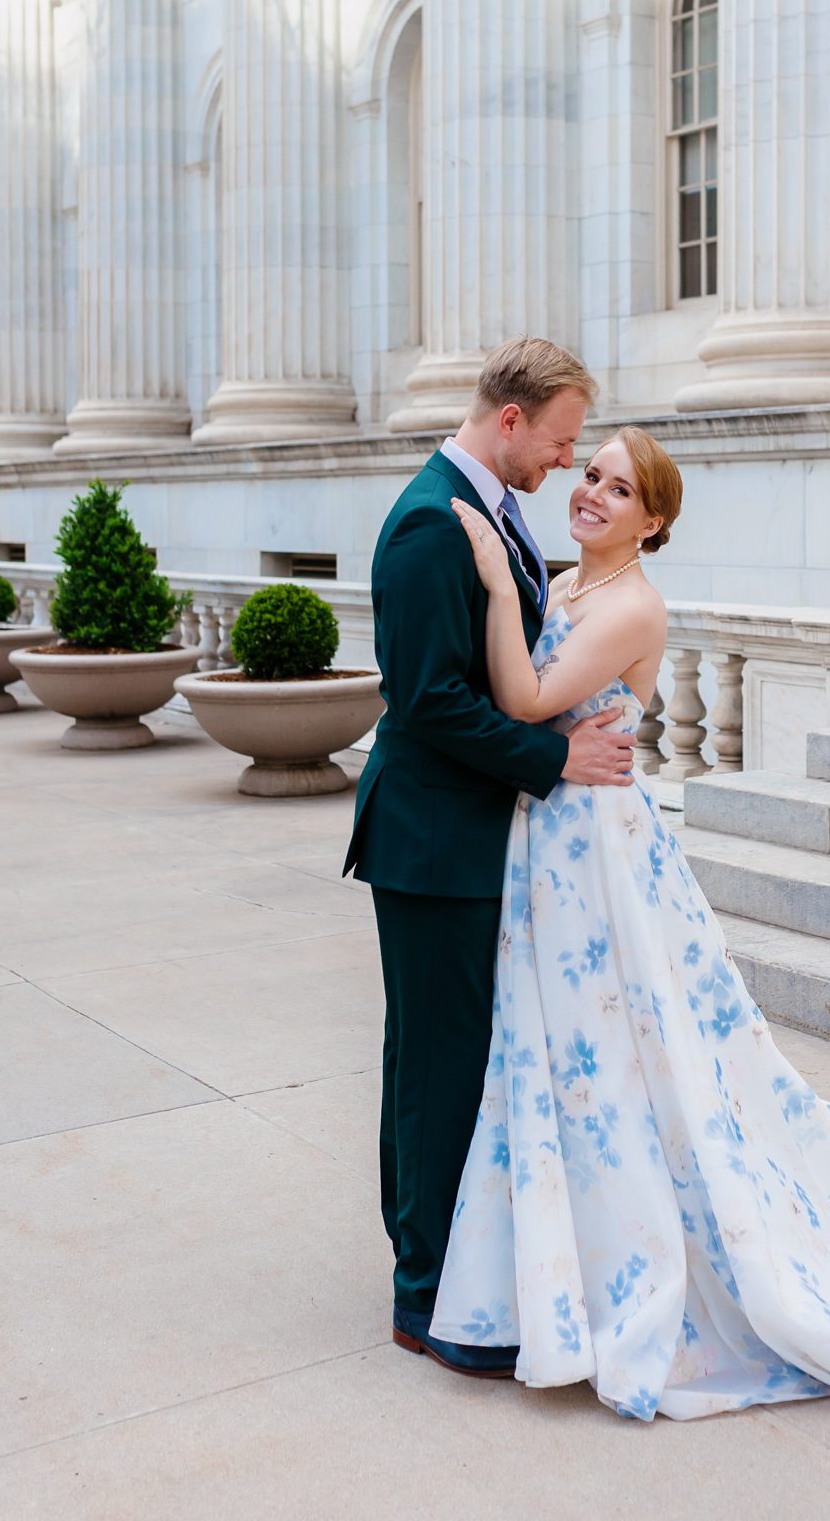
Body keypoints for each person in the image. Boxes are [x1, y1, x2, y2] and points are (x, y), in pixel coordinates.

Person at [435, 424, 830, 1420]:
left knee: (623, 1056)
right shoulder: (575, 583)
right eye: (589, 473)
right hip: (556, 841)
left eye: (617, 488)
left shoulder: (629, 602)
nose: (591, 492)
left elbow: (528, 694)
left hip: (600, 859)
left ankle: (629, 1274)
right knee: (567, 1052)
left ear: (653, 518)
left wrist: (498, 589)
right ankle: (547, 1273)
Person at [343, 339, 636, 1380]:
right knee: (433, 1064)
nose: (565, 463)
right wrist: (555, 756)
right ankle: (420, 1293)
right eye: (559, 442)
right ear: (509, 420)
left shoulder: (490, 505)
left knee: (446, 1056)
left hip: (468, 833)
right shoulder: (429, 520)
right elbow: (429, 701)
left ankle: (441, 1258)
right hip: (431, 840)